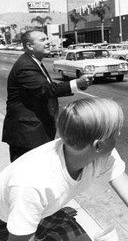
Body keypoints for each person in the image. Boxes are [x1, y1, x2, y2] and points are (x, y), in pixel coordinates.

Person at [0, 97, 128, 241]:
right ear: (98, 146)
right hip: (7, 222)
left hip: (41, 212)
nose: (119, 135)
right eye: (115, 132)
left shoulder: (104, 156)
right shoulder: (33, 183)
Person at [2, 30, 93, 162]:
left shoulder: (34, 62)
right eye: (43, 40)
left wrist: (77, 85)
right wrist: (76, 83)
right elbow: (44, 90)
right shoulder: (25, 66)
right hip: (27, 135)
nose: (49, 42)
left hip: (32, 132)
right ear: (30, 46)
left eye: (47, 39)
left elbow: (45, 89)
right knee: (26, 175)